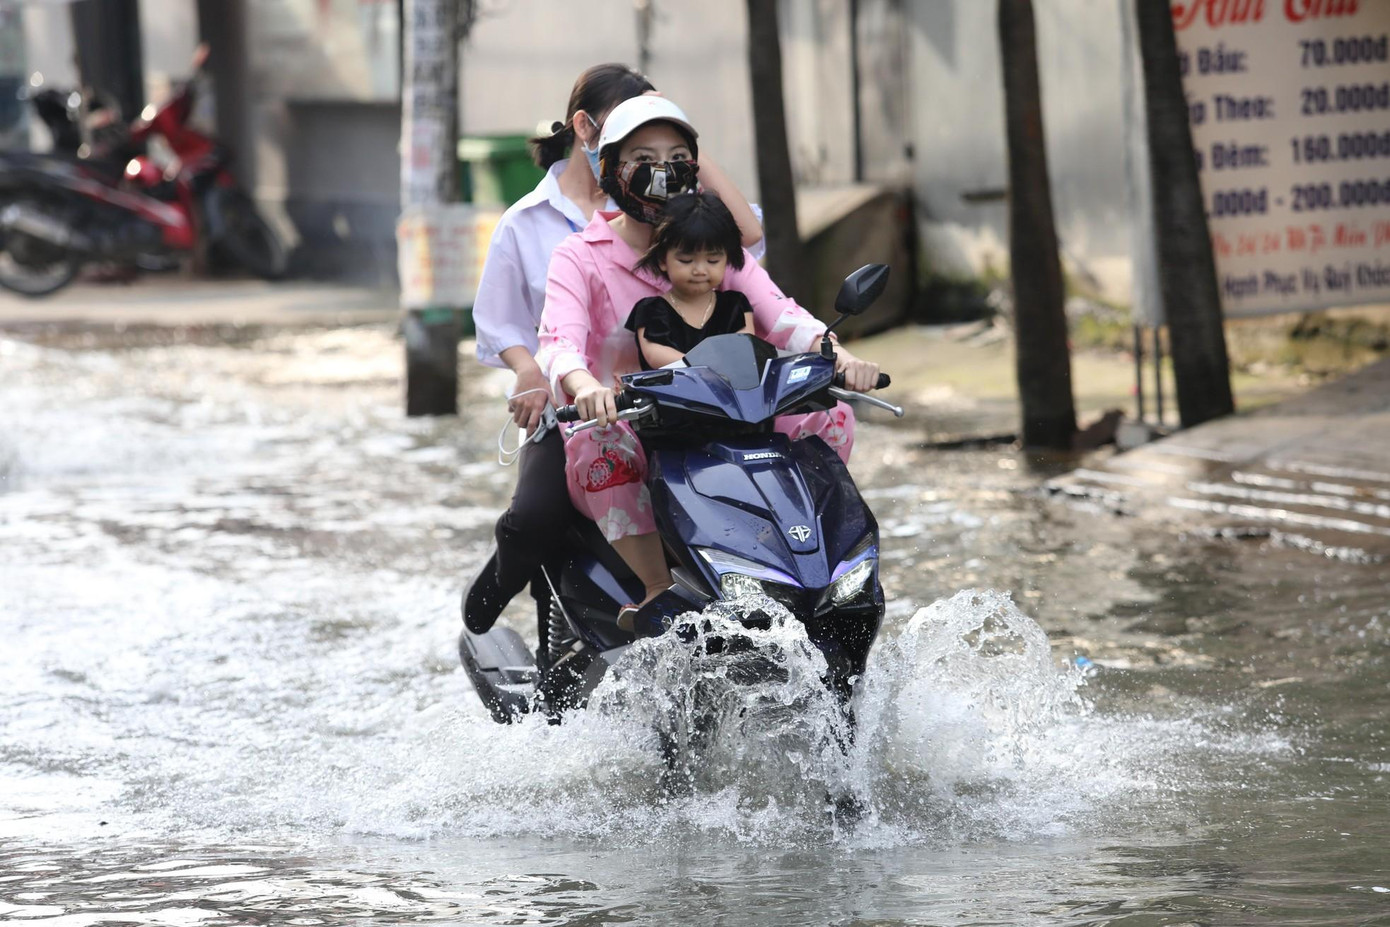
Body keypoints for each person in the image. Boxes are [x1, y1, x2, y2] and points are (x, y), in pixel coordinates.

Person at [537, 95, 879, 628]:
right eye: (643, 157)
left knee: (829, 414)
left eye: (678, 157)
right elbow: (558, 342)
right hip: (636, 423)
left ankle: (813, 561)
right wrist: (586, 388)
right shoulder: (580, 255)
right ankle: (655, 586)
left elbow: (782, 315)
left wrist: (842, 357)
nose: (662, 171)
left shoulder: (715, 252)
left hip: (733, 412)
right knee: (597, 440)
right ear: (608, 167)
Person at [463, 65, 765, 643]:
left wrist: (688, 152)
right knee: (536, 515)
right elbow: (505, 324)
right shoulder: (528, 224)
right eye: (636, 137)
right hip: (583, 406)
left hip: (681, 396)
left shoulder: (672, 212)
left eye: (667, 145)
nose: (654, 160)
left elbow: (743, 245)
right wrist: (531, 371)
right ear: (589, 129)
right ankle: (509, 581)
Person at [625, 192, 754, 371]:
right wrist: (705, 365)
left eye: (712, 261)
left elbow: (745, 349)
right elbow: (654, 354)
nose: (699, 271)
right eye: (686, 260)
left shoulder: (734, 306)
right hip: (669, 397)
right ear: (663, 260)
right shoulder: (652, 310)